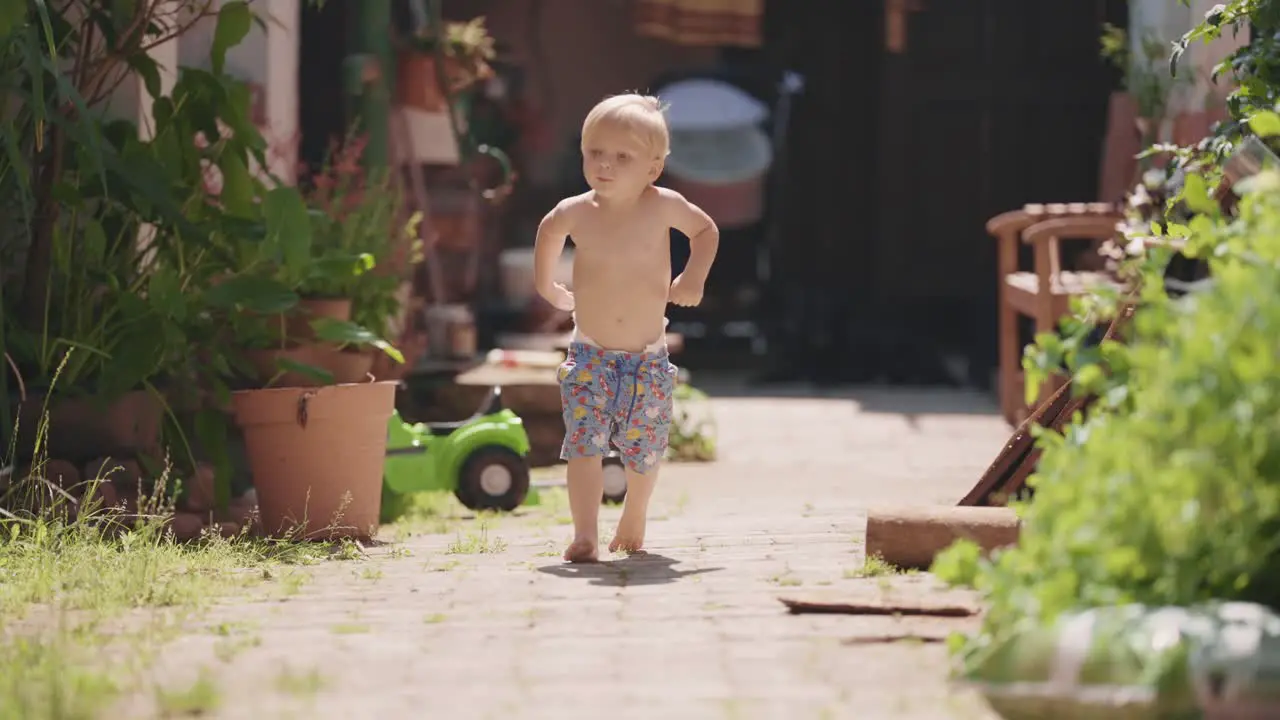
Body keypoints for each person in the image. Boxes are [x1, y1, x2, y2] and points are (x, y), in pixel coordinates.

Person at [533, 93, 720, 563]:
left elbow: (706, 232)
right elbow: (549, 231)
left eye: (622, 157)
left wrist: (692, 277)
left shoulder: (662, 206)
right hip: (590, 353)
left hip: (646, 357)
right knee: (583, 446)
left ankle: (635, 513)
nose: (605, 165)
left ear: (653, 169)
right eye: (595, 152)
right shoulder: (578, 210)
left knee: (645, 448)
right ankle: (585, 534)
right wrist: (548, 287)